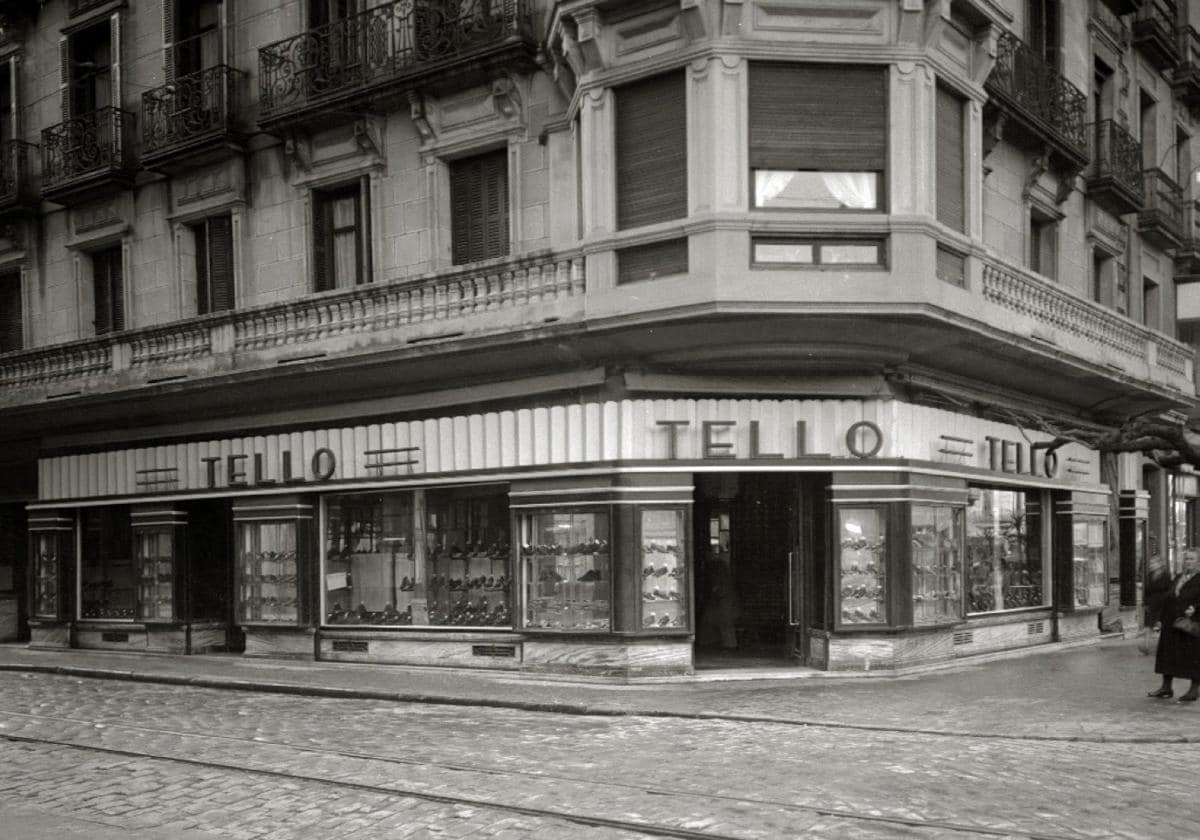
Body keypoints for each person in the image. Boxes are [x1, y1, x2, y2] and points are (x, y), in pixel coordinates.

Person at [1147, 548, 1200, 702]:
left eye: (1191, 559)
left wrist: (1195, 609)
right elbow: (1168, 597)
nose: (1188, 562)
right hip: (1171, 622)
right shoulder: (1178, 577)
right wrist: (1160, 619)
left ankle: (1194, 689)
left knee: (1192, 656)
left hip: (1189, 624)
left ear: (1198, 562)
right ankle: (1166, 687)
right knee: (1167, 654)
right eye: (1186, 559)